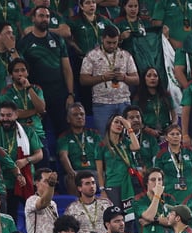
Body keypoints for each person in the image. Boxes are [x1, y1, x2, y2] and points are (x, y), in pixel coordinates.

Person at [17, 6, 74, 139]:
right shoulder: (25, 43)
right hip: (37, 94)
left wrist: (70, 93)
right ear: (33, 19)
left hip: (58, 93)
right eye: (41, 16)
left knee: (63, 131)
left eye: (47, 16)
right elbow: (20, 70)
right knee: (39, 133)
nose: (45, 19)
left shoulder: (58, 39)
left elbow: (67, 68)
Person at [79, 26, 139, 139]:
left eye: (114, 42)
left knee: (127, 137)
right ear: (102, 39)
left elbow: (136, 79)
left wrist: (124, 78)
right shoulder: (92, 56)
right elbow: (83, 80)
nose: (112, 45)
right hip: (102, 104)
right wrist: (102, 78)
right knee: (104, 138)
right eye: (109, 42)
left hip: (124, 102)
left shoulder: (125, 55)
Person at [57, 106, 104, 196]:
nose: (79, 117)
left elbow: (102, 153)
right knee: (71, 178)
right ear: (68, 119)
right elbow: (63, 156)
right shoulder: (64, 137)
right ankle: (76, 207)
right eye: (75, 115)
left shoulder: (94, 134)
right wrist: (70, 171)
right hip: (77, 173)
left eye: (82, 114)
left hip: (96, 172)